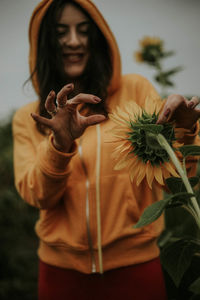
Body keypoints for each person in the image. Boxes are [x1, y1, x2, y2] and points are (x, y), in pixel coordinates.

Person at [12, 0, 200, 299]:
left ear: (99, 38)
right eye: (61, 32)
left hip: (136, 269)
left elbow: (177, 183)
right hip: (61, 276)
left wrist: (183, 131)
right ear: (45, 42)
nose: (74, 41)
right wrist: (60, 144)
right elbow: (38, 195)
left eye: (84, 31)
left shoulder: (135, 90)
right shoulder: (28, 118)